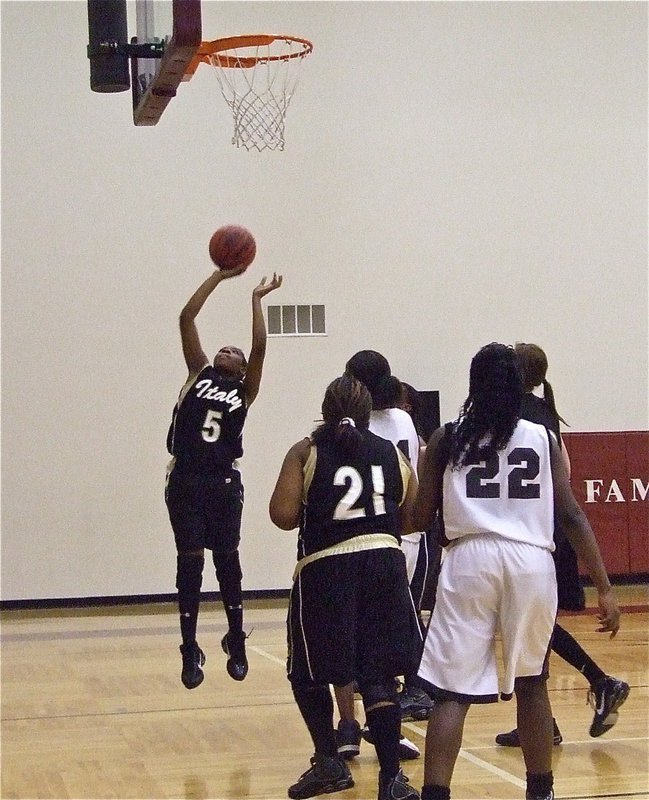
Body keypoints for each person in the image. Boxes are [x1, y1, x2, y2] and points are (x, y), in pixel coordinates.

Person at [412, 342, 621, 800]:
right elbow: (572, 516)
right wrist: (604, 586)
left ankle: (435, 794)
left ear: (473, 383)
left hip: (469, 561)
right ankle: (540, 791)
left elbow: (417, 518)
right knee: (532, 683)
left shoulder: (447, 437)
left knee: (451, 694)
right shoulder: (542, 437)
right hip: (531, 562)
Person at [269, 374, 422, 800]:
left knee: (309, 672)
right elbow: (413, 519)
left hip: (326, 569)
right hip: (383, 565)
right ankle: (391, 778)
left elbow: (281, 515)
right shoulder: (391, 453)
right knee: (378, 675)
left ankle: (329, 760)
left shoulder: (307, 449)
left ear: (325, 409)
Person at [494, 342, 630, 746]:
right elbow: (565, 474)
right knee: (533, 626)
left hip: (530, 534)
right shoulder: (545, 414)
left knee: (528, 627)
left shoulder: (511, 415)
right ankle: (553, 715)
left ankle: (596, 684)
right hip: (543, 532)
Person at [165, 265, 282, 689]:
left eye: (235, 350)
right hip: (185, 478)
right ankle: (188, 647)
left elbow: (261, 346)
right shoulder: (198, 372)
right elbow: (186, 317)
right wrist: (219, 275)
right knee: (190, 562)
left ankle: (236, 637)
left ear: (242, 367)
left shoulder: (244, 390)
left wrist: (256, 299)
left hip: (223, 481)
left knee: (227, 561)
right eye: (224, 347)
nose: (227, 349)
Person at [332, 351, 433, 764]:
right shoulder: (404, 421)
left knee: (348, 633)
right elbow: (419, 471)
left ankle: (352, 725)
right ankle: (387, 721)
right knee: (386, 634)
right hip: (403, 536)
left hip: (364, 535)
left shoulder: (354, 428)